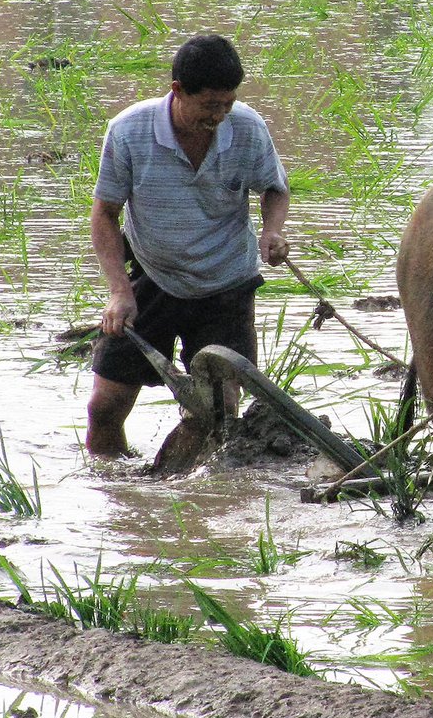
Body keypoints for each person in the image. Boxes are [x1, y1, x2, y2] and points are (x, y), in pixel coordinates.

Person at [85, 33, 289, 458]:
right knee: (105, 409)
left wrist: (272, 231)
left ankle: (192, 501)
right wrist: (119, 292)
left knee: (216, 417)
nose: (218, 115)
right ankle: (113, 493)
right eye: (209, 105)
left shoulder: (247, 128)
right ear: (177, 90)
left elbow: (275, 188)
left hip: (225, 286)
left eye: (227, 104)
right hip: (152, 278)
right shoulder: (128, 131)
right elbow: (105, 215)